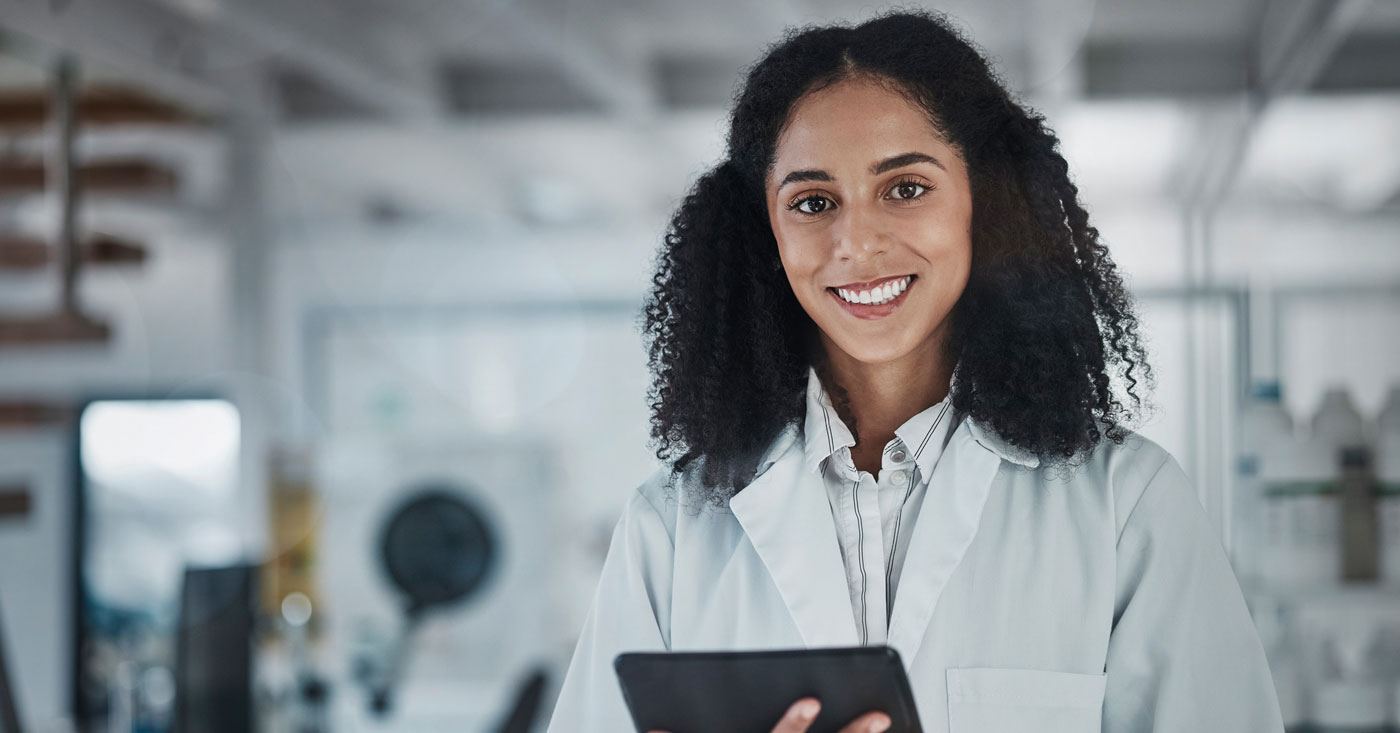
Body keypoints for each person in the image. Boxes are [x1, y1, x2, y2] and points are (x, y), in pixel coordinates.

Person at [547, 9, 1285, 733]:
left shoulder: (1128, 508)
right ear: (766, 233)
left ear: (984, 204)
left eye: (905, 188)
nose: (856, 241)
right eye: (812, 201)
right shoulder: (673, 529)